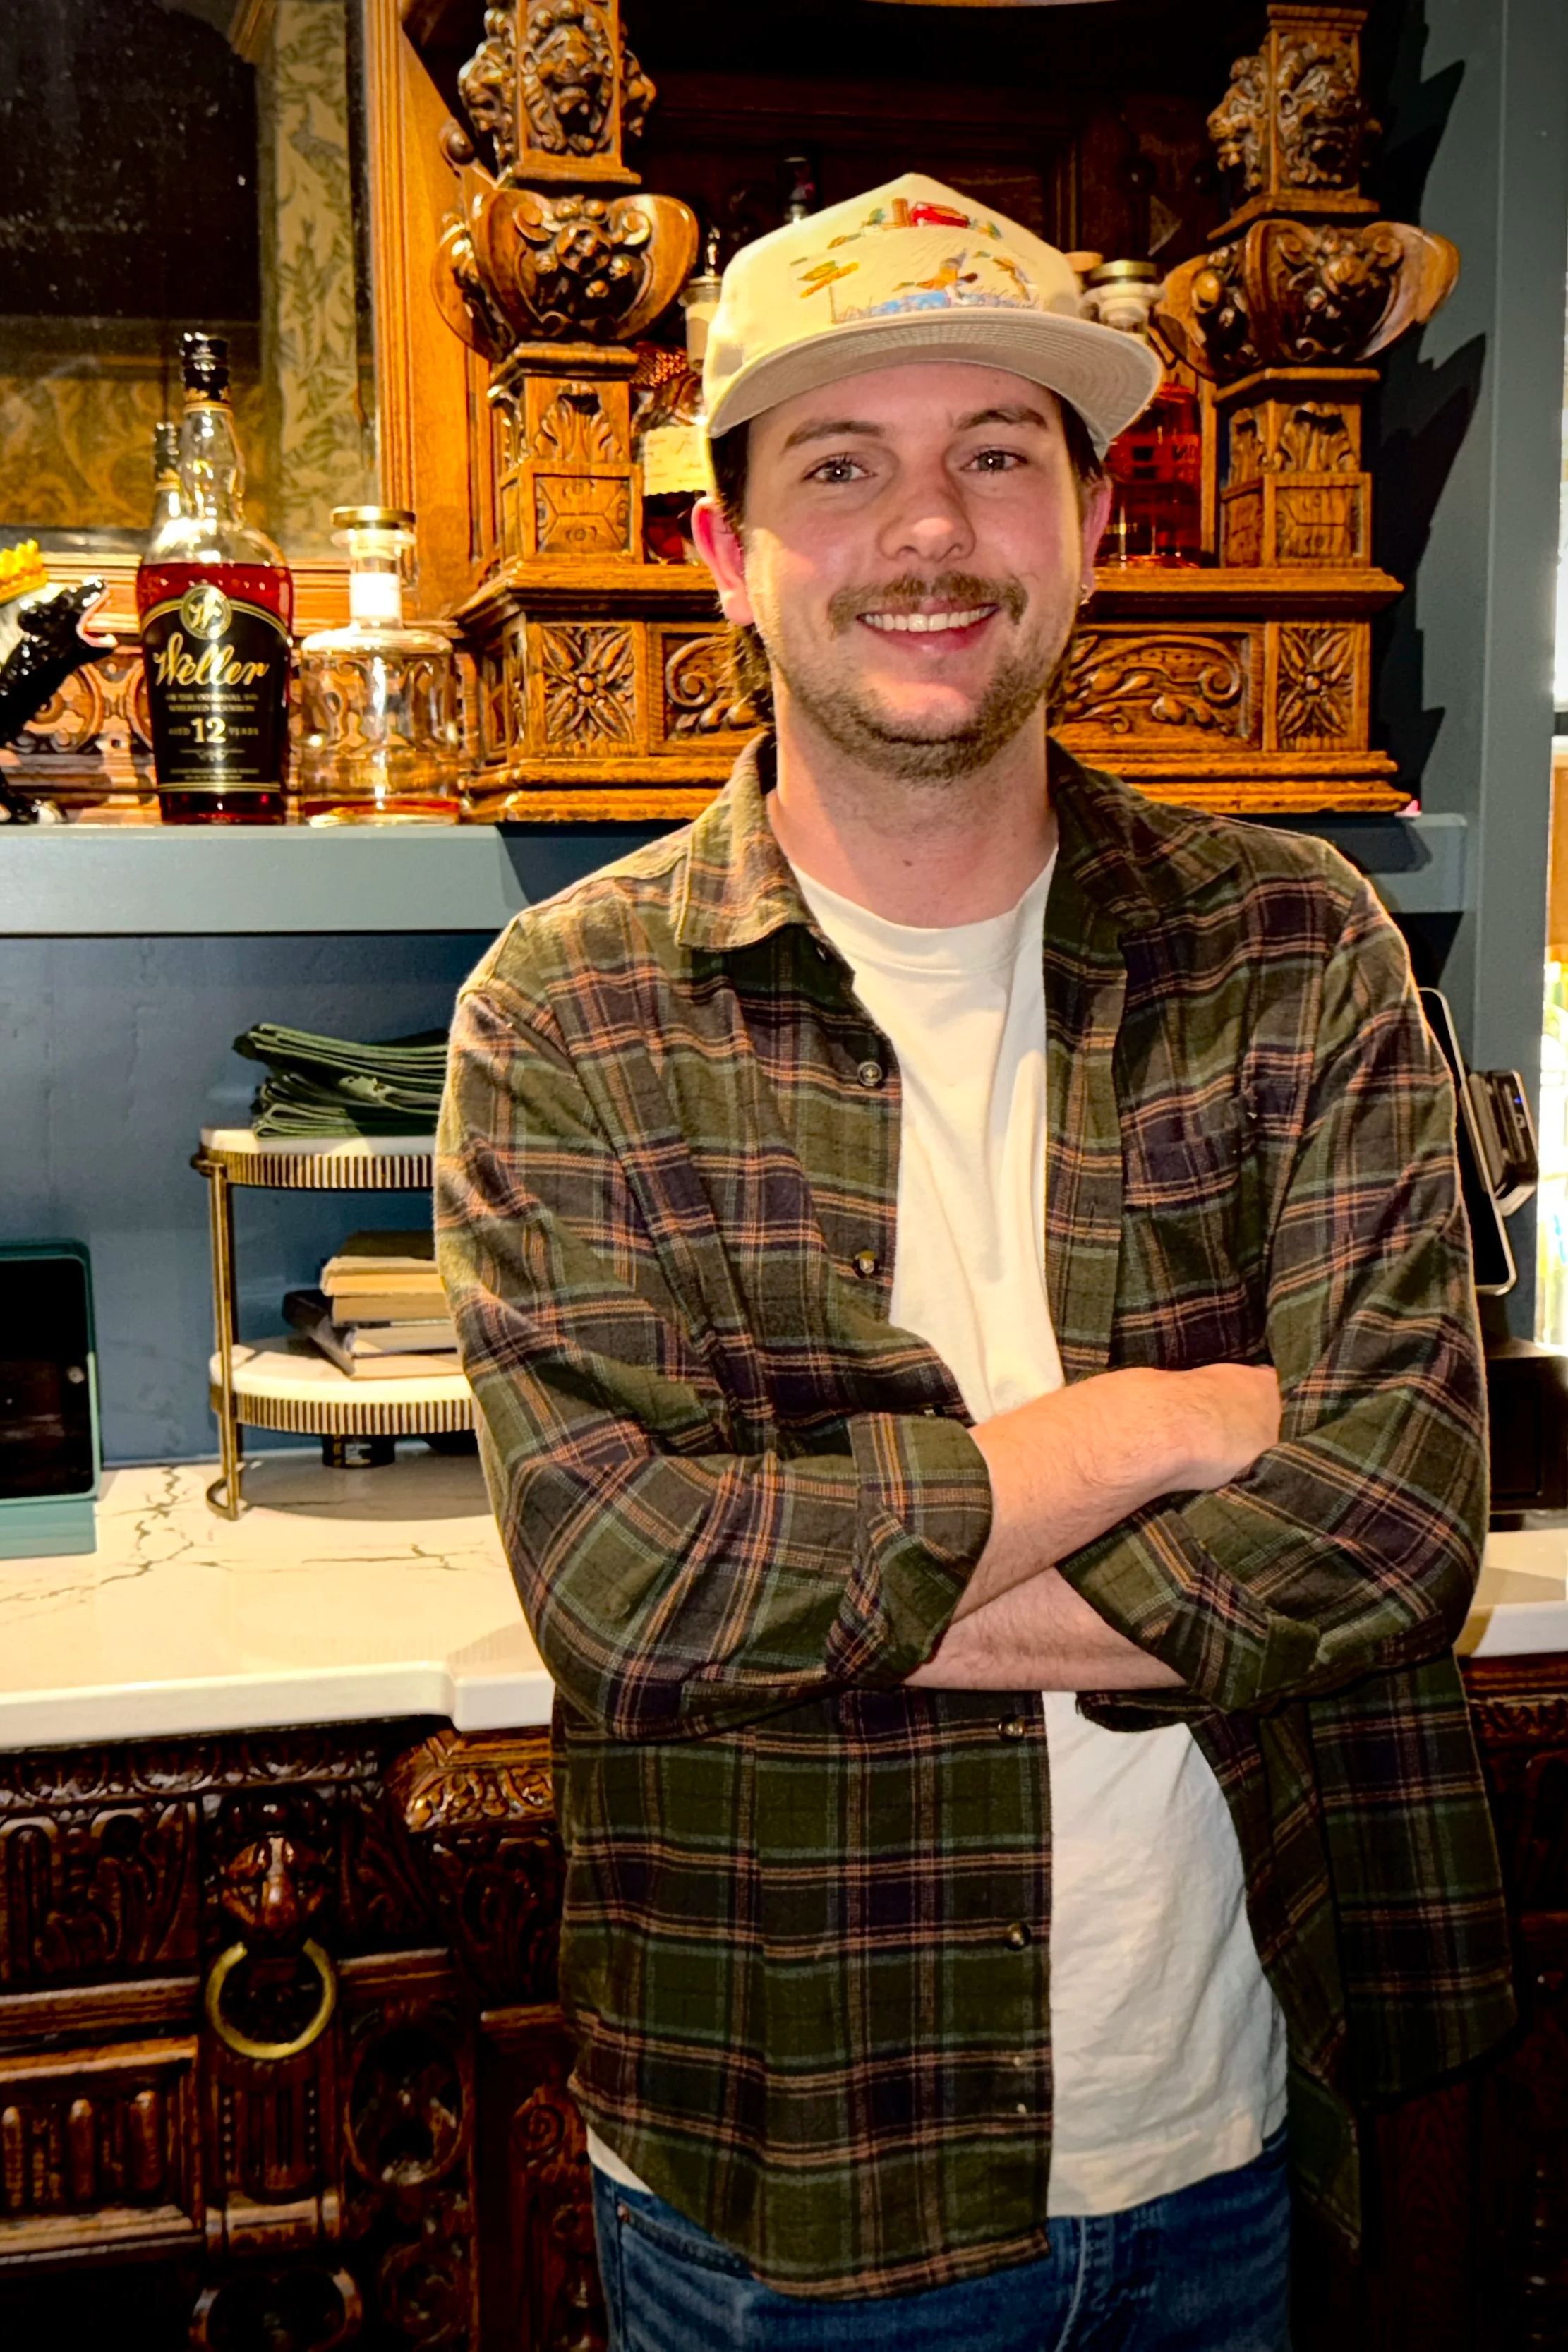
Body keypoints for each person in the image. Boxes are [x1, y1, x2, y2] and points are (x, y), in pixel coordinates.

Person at [436, 173, 1514, 2351]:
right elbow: (626, 1588)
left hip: (1228, 2130)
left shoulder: (1295, 947)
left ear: (1092, 526)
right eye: (840, 467)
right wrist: (1147, 1429)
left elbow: (1394, 1527)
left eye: (996, 457)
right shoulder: (563, 1012)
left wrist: (803, 1587)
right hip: (784, 2191)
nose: (927, 532)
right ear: (725, 552)